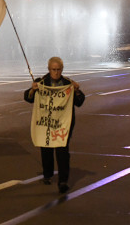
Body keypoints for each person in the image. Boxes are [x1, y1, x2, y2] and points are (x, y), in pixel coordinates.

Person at [24, 57, 85, 193]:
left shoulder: (67, 83)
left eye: (58, 70)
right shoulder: (41, 82)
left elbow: (80, 102)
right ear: (49, 69)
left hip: (62, 124)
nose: (56, 73)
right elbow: (28, 98)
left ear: (62, 70)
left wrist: (77, 90)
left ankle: (63, 181)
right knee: (46, 150)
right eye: (53, 70)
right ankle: (48, 174)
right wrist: (33, 90)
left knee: (62, 152)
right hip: (46, 123)